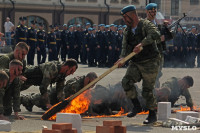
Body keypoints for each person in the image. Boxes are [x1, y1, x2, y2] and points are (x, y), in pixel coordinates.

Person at [115, 5, 161, 124]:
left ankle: (152, 115)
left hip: (150, 61)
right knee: (126, 82)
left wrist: (142, 44)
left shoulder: (146, 24)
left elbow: (155, 34)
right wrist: (121, 59)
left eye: (126, 17)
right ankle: (136, 106)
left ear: (133, 15)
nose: (124, 20)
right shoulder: (127, 31)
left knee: (147, 90)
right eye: (123, 18)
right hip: (136, 62)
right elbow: (125, 48)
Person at [21, 72, 97, 112]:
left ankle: (30, 103)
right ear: (87, 79)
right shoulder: (75, 84)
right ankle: (20, 98)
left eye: (94, 84)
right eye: (92, 83)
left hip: (58, 100)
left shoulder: (85, 85)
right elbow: (70, 99)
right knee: (34, 99)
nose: (92, 86)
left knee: (39, 103)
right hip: (53, 95)